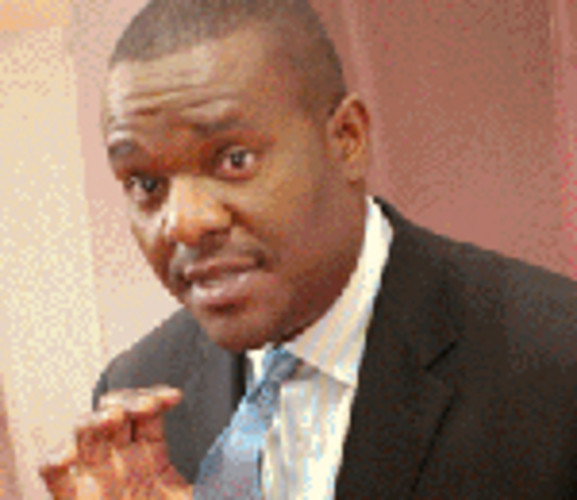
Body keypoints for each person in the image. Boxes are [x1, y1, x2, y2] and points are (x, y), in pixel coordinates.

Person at [39, 0, 577, 498]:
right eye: (146, 184)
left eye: (234, 160)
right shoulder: (140, 395)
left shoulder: (555, 355)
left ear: (347, 139)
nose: (183, 223)